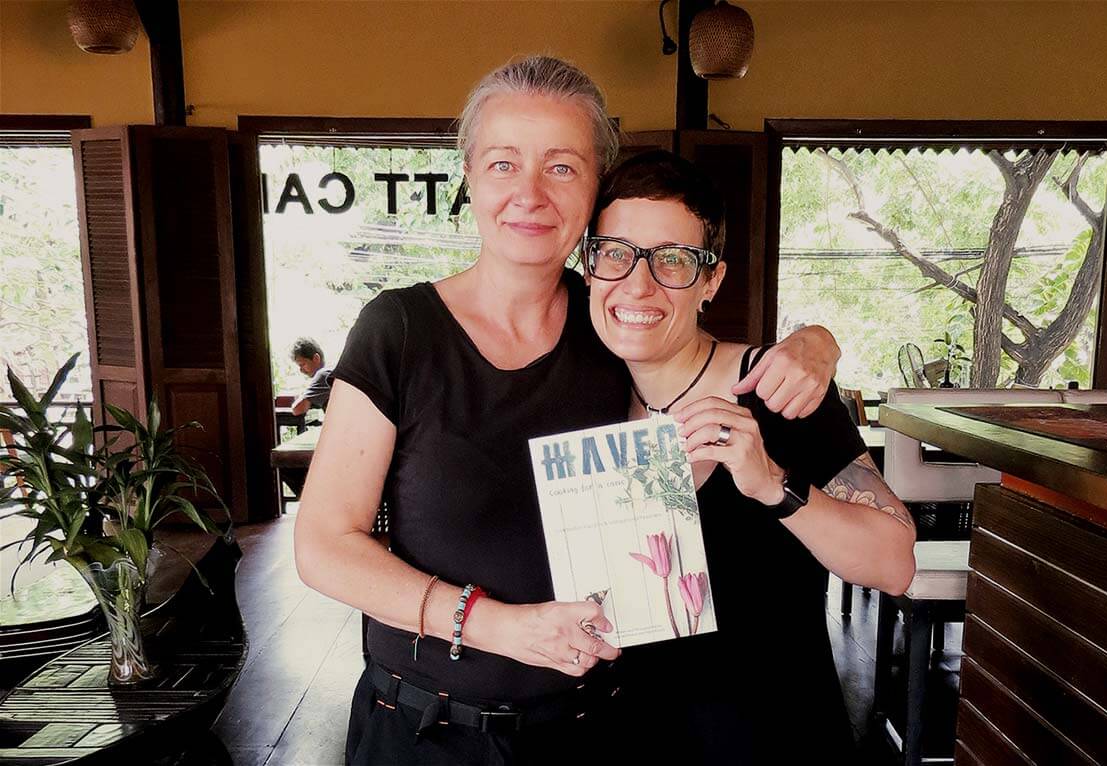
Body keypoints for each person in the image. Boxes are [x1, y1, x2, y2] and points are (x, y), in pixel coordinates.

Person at [293, 56, 844, 766]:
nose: (529, 193)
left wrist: (816, 343)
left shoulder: (614, 323)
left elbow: (710, 349)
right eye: (502, 164)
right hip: (426, 733)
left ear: (593, 193)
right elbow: (323, 545)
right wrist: (497, 626)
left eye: (561, 167)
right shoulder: (399, 329)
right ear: (468, 176)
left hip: (594, 733)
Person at [583, 150, 917, 764]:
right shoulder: (577, 392)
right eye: (615, 252)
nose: (638, 283)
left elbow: (894, 563)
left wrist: (772, 484)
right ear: (589, 267)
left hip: (773, 736)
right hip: (624, 733)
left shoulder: (777, 388)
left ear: (712, 280)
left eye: (674, 260)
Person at [289, 337, 333, 416]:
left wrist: (304, 394)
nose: (301, 370)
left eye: (302, 364)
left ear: (316, 358)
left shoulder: (322, 375)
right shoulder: (331, 371)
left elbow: (297, 409)